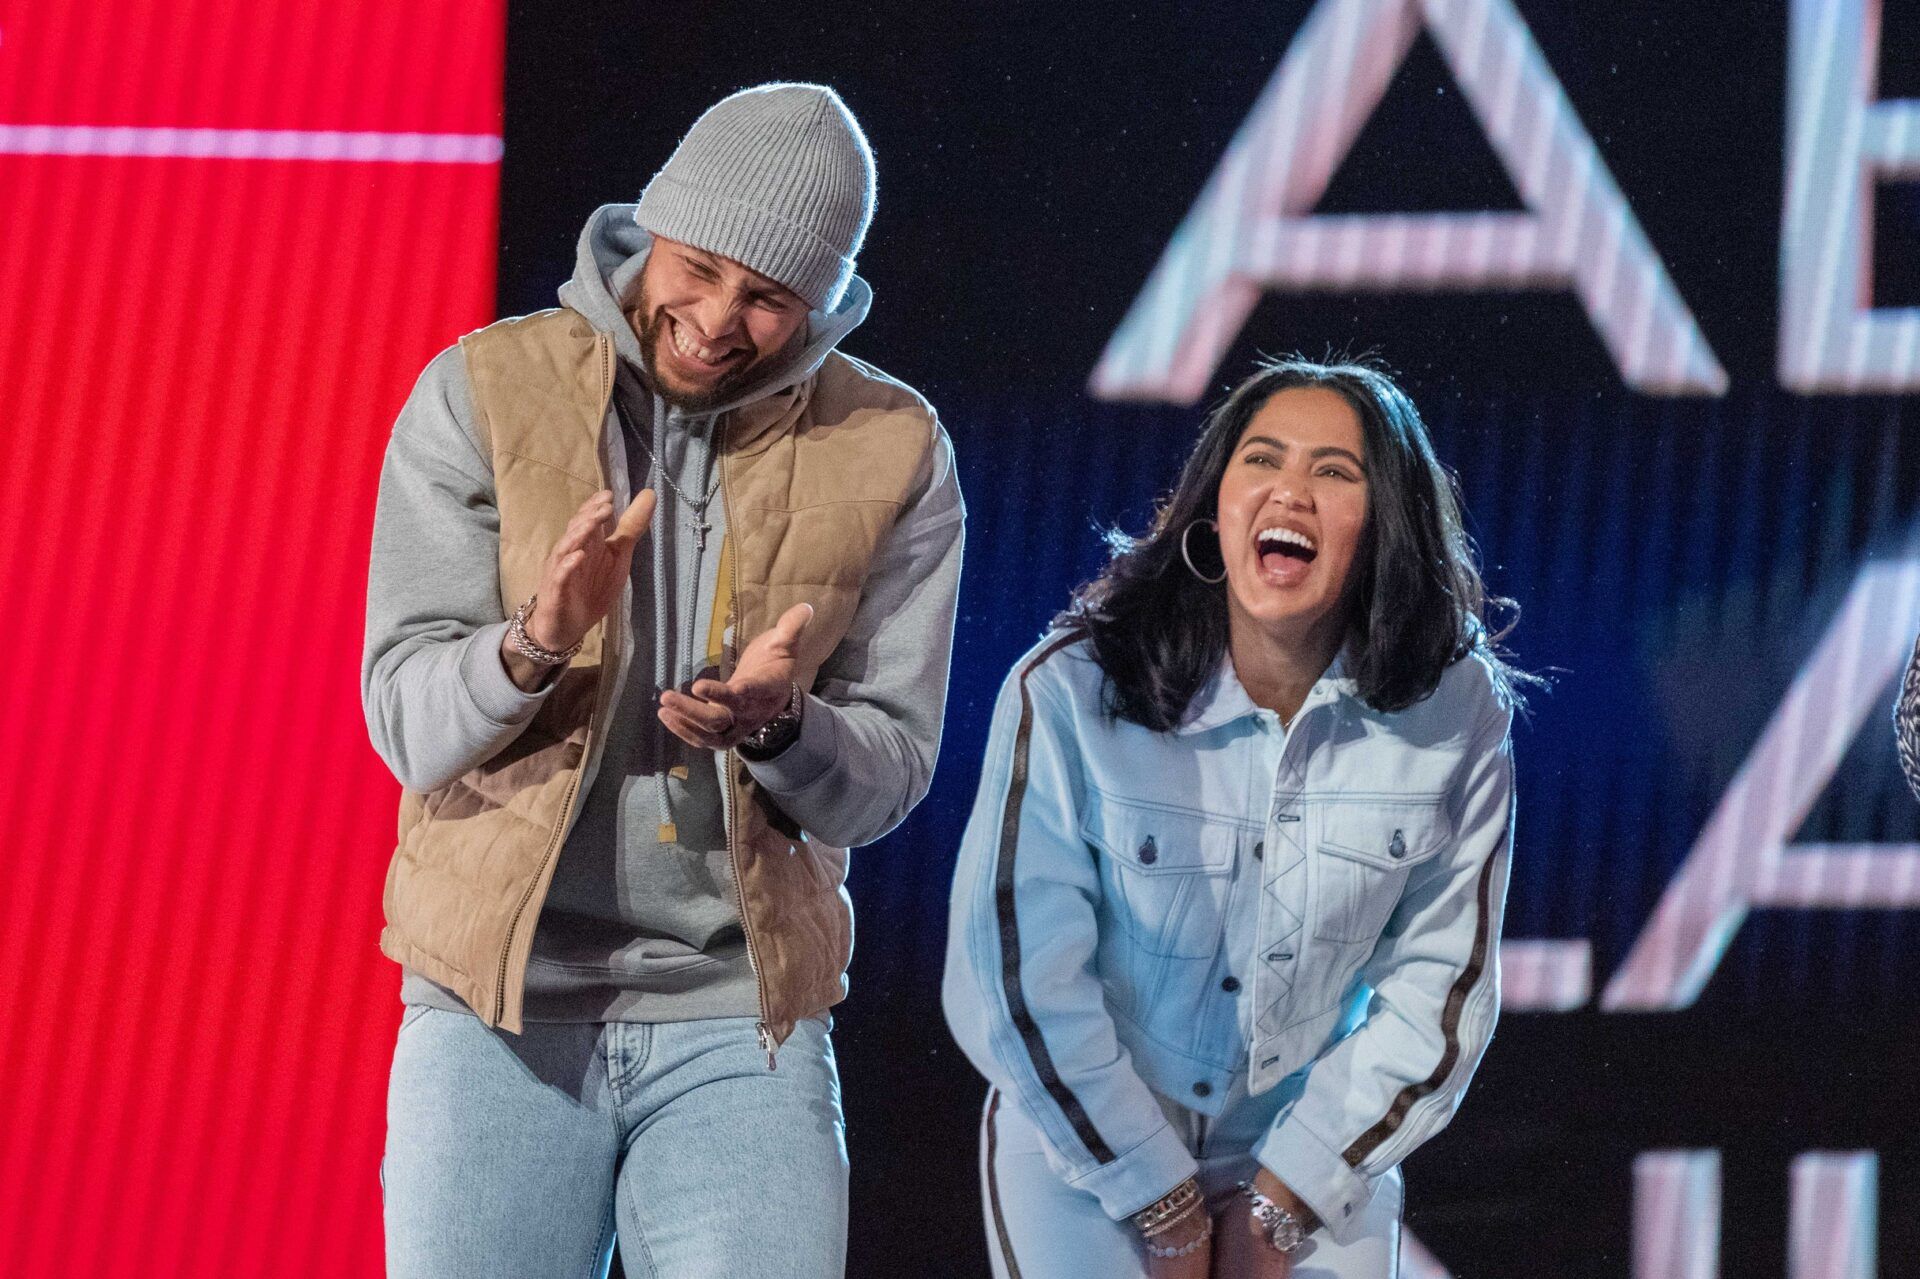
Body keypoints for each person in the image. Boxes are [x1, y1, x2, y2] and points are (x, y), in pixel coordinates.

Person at [362, 83, 963, 1278]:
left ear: (825, 306)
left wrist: (785, 727)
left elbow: (887, 779)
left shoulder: (894, 445)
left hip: (743, 1016)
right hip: (497, 1010)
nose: (719, 320)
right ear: (647, 231)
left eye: (770, 299)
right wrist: (533, 641)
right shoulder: (481, 390)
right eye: (699, 269)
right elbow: (407, 725)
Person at [943, 358, 1526, 1278]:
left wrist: (1282, 1204)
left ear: (1386, 527)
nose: (1291, 489)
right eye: (1263, 459)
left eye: (1335, 472)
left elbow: (1440, 991)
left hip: (1308, 1142)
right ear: (1217, 505)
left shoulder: (1454, 713)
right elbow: (1019, 982)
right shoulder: (1068, 689)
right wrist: (1162, 1203)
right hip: (1088, 1135)